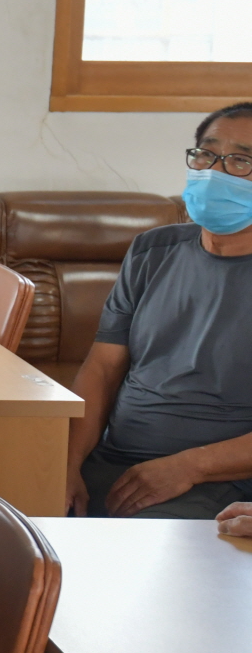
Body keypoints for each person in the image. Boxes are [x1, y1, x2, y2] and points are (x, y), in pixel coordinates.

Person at [65, 103, 252, 519]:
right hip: (113, 460)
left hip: (215, 482)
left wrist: (190, 467)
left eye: (240, 161)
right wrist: (66, 464)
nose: (215, 172)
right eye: (206, 155)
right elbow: (102, 369)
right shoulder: (153, 251)